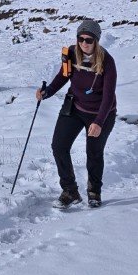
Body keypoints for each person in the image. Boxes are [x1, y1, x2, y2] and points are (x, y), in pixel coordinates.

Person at [36, 18, 116, 207]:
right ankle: (70, 191)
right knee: (59, 146)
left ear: (96, 41)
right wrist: (47, 92)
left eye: (89, 40)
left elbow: (108, 96)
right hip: (75, 107)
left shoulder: (107, 61)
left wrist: (98, 122)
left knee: (94, 153)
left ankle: (94, 192)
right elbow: (63, 76)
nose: (84, 43)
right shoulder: (71, 53)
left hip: (100, 113)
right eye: (81, 39)